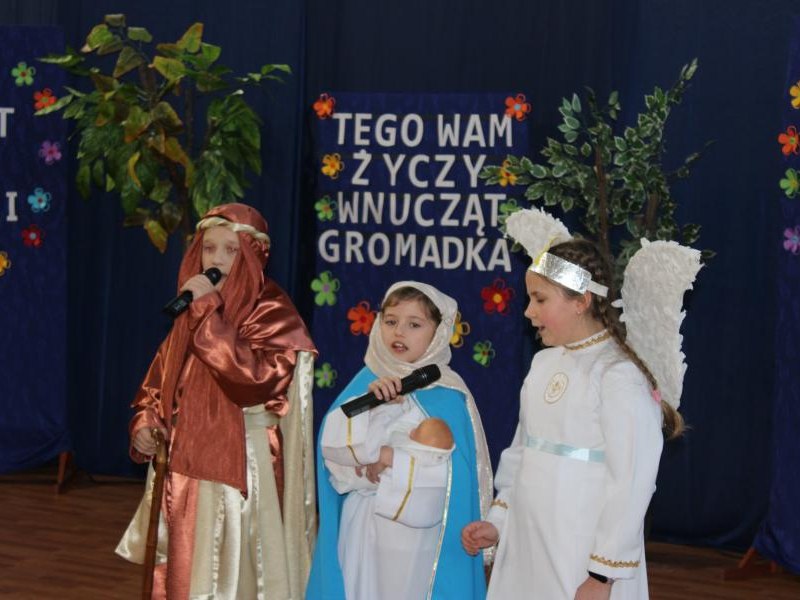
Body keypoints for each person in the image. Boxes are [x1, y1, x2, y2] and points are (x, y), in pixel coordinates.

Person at [462, 212, 685, 599]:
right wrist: (499, 519)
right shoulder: (543, 363)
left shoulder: (619, 376)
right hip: (529, 542)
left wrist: (601, 575)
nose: (529, 311)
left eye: (540, 299)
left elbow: (631, 483)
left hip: (581, 548)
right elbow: (522, 451)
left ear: (581, 301)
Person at [115, 203, 317, 600]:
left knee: (235, 571)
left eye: (230, 249)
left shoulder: (273, 312)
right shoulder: (191, 309)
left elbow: (254, 381)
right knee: (188, 564)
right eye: (209, 248)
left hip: (245, 464)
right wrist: (146, 423)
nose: (217, 259)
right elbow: (158, 383)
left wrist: (208, 313)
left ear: (253, 255)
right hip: (187, 463)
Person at [307, 281, 493, 600]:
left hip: (419, 538)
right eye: (391, 321)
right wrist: (374, 411)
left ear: (438, 332)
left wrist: (389, 458)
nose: (399, 332)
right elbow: (335, 465)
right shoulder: (364, 386)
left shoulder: (450, 395)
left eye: (414, 324)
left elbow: (455, 480)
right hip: (364, 527)